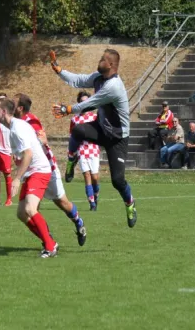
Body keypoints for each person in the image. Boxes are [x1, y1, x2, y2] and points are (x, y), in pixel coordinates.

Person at [50, 49, 137, 228]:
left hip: (117, 138)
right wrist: (59, 70)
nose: (100, 60)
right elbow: (79, 80)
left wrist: (68, 109)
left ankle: (130, 204)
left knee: (117, 181)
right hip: (101, 128)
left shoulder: (114, 86)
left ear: (111, 65)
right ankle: (71, 160)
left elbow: (91, 103)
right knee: (78, 130)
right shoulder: (99, 76)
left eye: (103, 59)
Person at [14, 93, 87, 246]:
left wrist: (40, 141)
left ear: (20, 108)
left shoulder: (30, 122)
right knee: (25, 212)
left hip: (45, 168)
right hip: (30, 172)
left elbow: (41, 140)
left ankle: (78, 222)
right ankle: (48, 240)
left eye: (12, 103)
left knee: (62, 202)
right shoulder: (14, 122)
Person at [0, 98, 58, 258]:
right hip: (31, 172)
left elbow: (28, 154)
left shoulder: (17, 128)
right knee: (21, 214)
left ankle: (50, 247)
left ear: (3, 112)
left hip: (39, 170)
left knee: (30, 208)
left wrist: (17, 179)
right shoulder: (14, 127)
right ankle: (49, 241)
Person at [69, 91, 100, 211]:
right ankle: (92, 203)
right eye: (82, 102)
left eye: (86, 101)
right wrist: (72, 152)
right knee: (87, 175)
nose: (84, 103)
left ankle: (96, 195)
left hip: (93, 148)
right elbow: (72, 136)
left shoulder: (94, 117)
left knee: (95, 177)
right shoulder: (75, 119)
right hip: (81, 149)